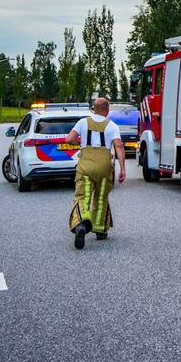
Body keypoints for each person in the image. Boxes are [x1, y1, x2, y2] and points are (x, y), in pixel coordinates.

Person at [64, 96, 125, 250]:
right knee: (101, 197)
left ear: (94, 109)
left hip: (86, 166)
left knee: (82, 196)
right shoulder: (112, 125)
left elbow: (69, 139)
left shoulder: (83, 122)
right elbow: (118, 146)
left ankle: (82, 223)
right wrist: (123, 169)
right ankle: (100, 229)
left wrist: (80, 142)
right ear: (107, 109)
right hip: (104, 167)